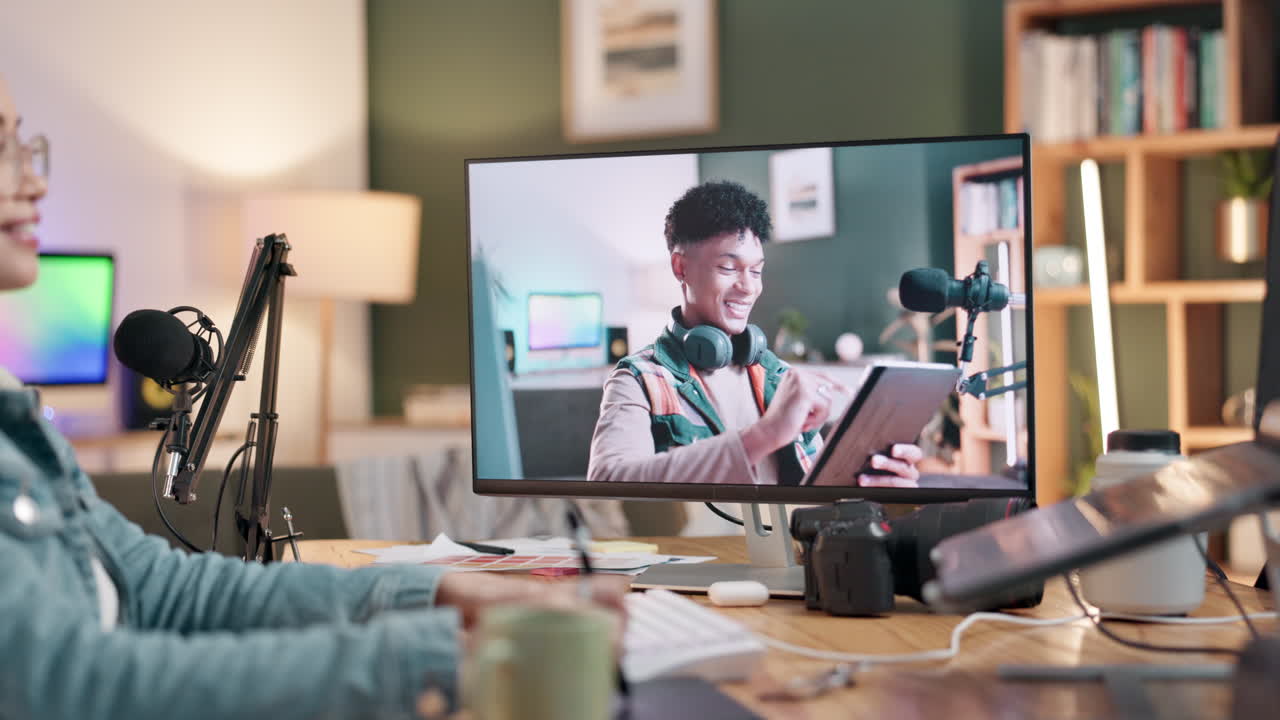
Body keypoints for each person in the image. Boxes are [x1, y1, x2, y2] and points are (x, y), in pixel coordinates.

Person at [0, 74, 625, 720]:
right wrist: (443, 657)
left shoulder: (16, 413)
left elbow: (163, 592)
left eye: (23, 145)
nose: (35, 181)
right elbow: (66, 687)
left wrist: (442, 598)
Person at [588, 180, 923, 488]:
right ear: (681, 267)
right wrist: (765, 434)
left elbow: (813, 500)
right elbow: (608, 484)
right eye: (729, 268)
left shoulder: (778, 375)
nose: (748, 287)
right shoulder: (638, 379)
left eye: (757, 270)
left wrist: (866, 486)